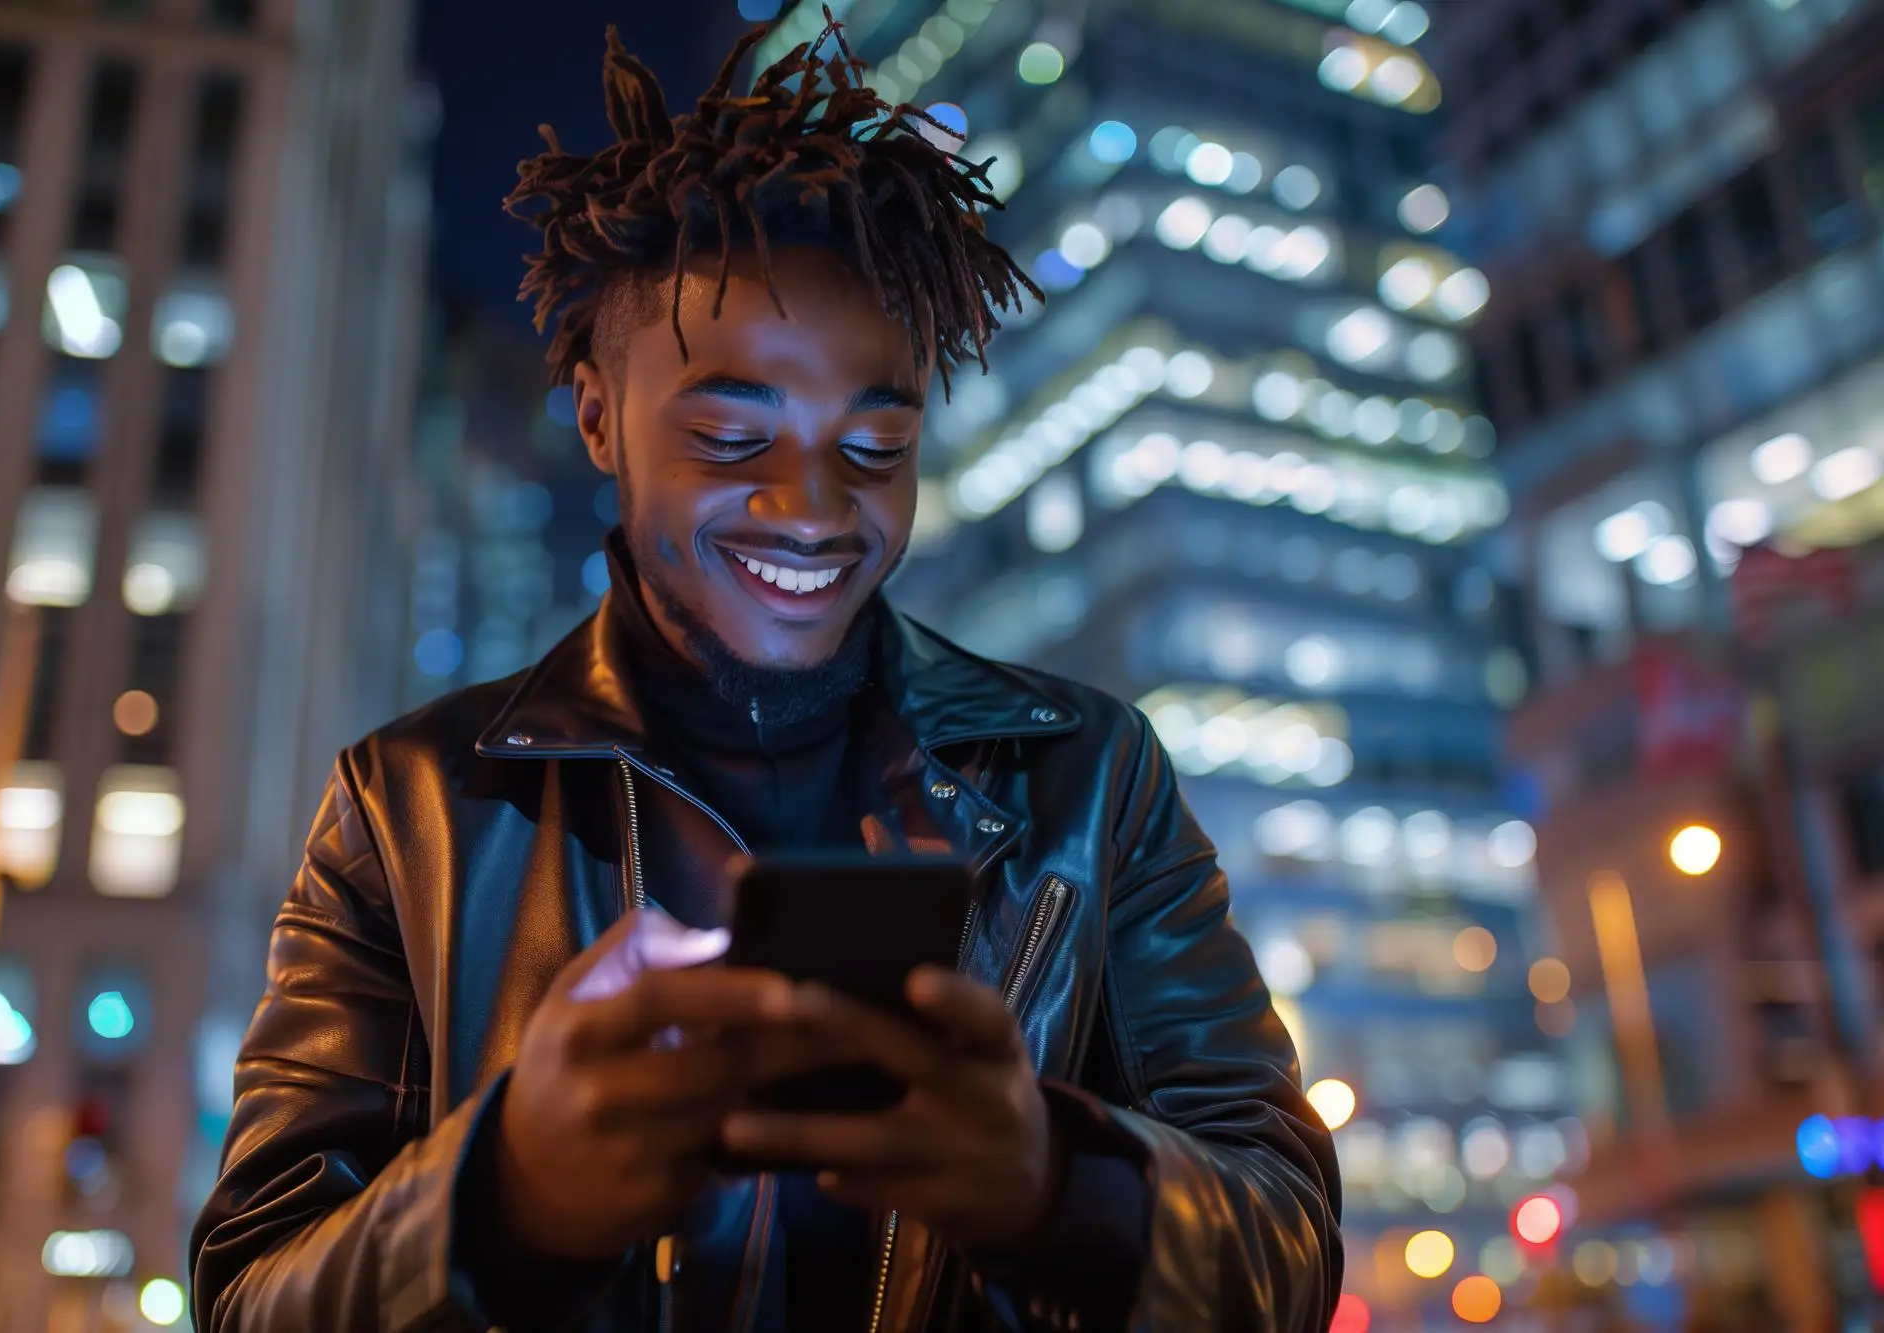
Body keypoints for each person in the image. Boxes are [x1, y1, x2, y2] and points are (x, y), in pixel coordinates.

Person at [190, 17, 1341, 1333]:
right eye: (735, 437)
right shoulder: (408, 809)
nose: (812, 509)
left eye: (876, 449)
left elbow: (1289, 1250)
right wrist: (505, 1200)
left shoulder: (1094, 777)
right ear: (598, 418)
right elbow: (251, 1297)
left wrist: (1056, 1188)